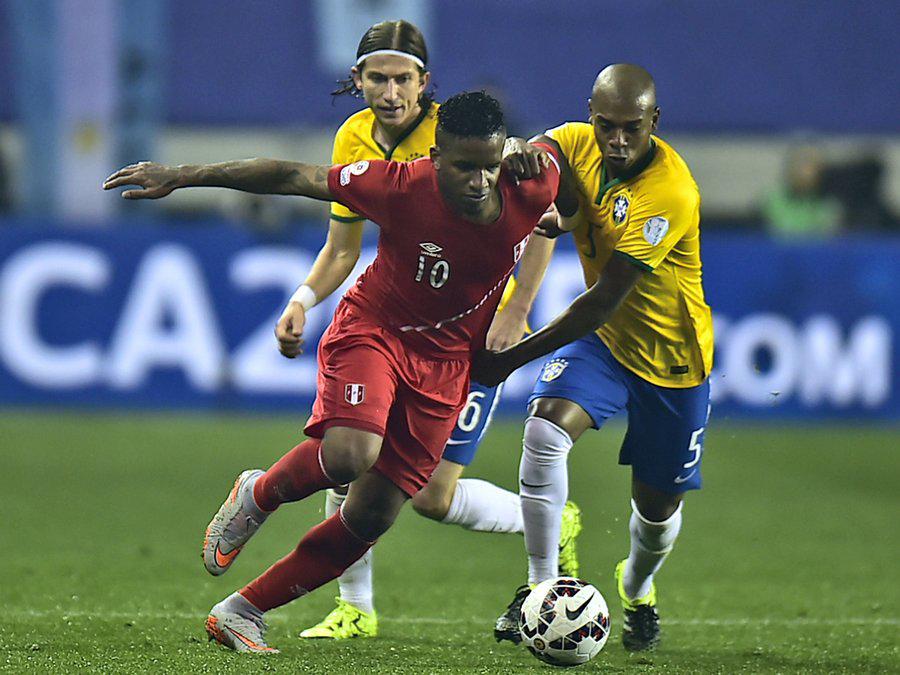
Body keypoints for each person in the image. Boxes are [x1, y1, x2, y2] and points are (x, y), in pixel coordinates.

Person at [103, 91, 571, 654]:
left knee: (373, 514)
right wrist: (184, 174)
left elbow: (574, 162)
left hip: (447, 367)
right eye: (464, 167)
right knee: (352, 453)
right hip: (375, 331)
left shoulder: (532, 179)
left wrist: (550, 211)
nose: (478, 181)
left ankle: (241, 612)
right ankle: (261, 493)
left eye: (489, 166)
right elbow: (290, 175)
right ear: (436, 156)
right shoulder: (400, 187)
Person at [290, 20, 580, 640]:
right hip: (399, 331)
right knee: (352, 458)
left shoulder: (463, 136)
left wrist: (514, 311)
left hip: (468, 342)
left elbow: (539, 221)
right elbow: (343, 247)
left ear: (425, 82)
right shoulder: (353, 137)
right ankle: (354, 608)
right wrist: (305, 298)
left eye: (402, 79)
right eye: (377, 78)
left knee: (433, 498)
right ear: (357, 80)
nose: (390, 92)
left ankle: (556, 518)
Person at [477, 64, 713, 652]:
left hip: (672, 364)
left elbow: (602, 301)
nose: (617, 139)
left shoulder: (670, 191)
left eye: (632, 127)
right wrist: (517, 151)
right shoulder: (578, 142)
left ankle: (638, 587)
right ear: (591, 113)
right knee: (543, 431)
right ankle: (539, 592)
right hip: (605, 350)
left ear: (654, 121)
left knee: (655, 516)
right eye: (606, 124)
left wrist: (512, 359)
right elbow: (541, 153)